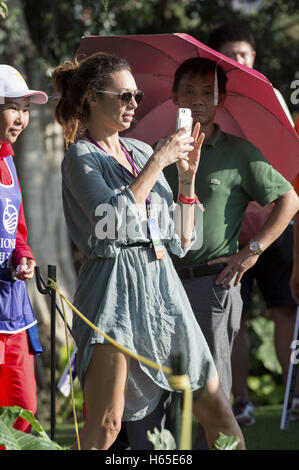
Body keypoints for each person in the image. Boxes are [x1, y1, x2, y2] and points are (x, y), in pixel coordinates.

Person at [52, 52, 245, 450]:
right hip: (114, 293)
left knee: (218, 412)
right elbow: (112, 223)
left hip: (164, 288)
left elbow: (181, 240)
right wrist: (159, 161)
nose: (134, 105)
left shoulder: (139, 151)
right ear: (90, 97)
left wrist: (187, 182)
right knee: (105, 425)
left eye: (136, 96)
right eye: (124, 96)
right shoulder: (80, 157)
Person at [163, 56, 299, 448]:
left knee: (211, 391)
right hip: (163, 283)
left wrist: (251, 252)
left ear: (221, 101)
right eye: (188, 90)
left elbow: (289, 200)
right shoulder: (158, 151)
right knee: (169, 389)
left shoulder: (240, 152)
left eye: (208, 92)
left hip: (213, 286)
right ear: (174, 96)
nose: (197, 99)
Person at [208, 22, 299, 425]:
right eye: (231, 55)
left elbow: (285, 157)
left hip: (274, 223)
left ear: (254, 57)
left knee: (285, 310)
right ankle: (239, 400)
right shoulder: (207, 103)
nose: (239, 61)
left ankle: (292, 396)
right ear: (217, 60)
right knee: (234, 318)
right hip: (228, 227)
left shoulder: (271, 96)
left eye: (244, 54)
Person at [0, 65, 47, 434]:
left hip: (14, 312)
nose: (22, 118)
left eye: (26, 109)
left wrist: (23, 257)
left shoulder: (10, 161)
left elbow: (17, 232)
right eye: (13, 107)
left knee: (23, 414)